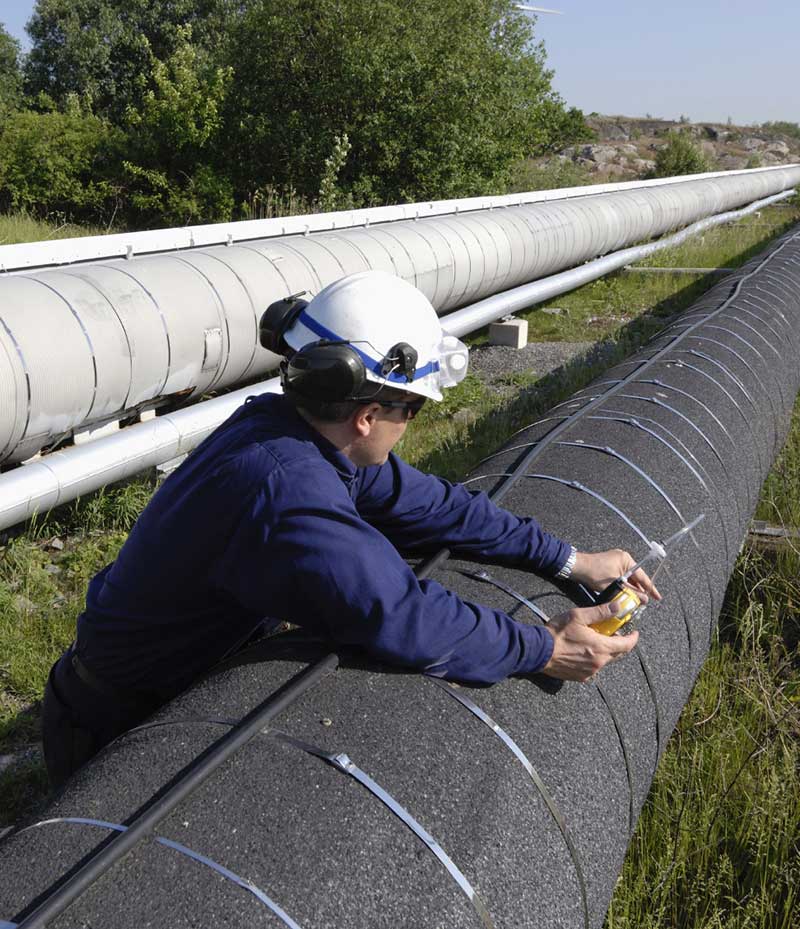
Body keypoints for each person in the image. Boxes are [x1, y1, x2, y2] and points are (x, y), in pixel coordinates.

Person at [42, 270, 659, 788]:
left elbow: (439, 507)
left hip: (163, 678)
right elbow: (398, 614)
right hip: (114, 727)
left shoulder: (295, 430)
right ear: (368, 416)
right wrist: (548, 648)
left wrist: (567, 560)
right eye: (412, 409)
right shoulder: (286, 492)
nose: (409, 425)